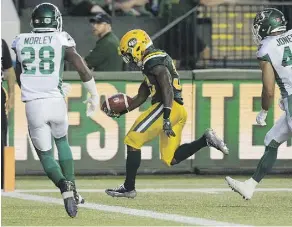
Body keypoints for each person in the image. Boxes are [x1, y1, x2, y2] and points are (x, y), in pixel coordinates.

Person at [103, 29, 229, 198]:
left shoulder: (152, 61)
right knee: (170, 159)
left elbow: (167, 86)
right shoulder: (152, 61)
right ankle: (205, 140)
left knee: (132, 139)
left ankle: (128, 188)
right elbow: (141, 96)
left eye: (128, 53)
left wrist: (167, 116)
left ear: (137, 46)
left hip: (167, 107)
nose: (129, 58)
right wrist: (123, 111)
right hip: (178, 109)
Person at [12, 3, 99, 217]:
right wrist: (94, 94)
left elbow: (18, 75)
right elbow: (80, 66)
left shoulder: (21, 40)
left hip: (34, 105)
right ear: (55, 20)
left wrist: (37, 87)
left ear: (34, 21)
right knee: (62, 142)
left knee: (45, 155)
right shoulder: (62, 38)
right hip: (56, 101)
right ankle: (74, 189)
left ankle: (65, 189)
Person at [226, 8, 292, 200]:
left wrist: (264, 109)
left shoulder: (266, 48)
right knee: (272, 139)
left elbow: (269, 89)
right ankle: (250, 185)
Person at [1, 38, 16, 189]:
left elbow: (9, 70)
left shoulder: (0, 43)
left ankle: (1, 180)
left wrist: (11, 95)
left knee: (1, 137)